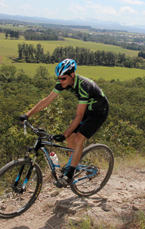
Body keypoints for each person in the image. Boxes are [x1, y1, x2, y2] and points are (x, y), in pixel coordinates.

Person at [19, 59, 109, 187]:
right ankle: (74, 166)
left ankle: (69, 175)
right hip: (88, 110)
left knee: (78, 139)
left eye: (63, 78)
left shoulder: (84, 86)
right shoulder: (64, 82)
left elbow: (79, 116)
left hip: (99, 111)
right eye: (59, 78)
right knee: (71, 138)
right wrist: (27, 114)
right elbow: (47, 101)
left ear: (72, 75)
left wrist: (64, 134)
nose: (60, 81)